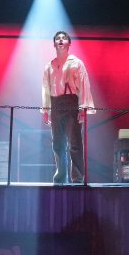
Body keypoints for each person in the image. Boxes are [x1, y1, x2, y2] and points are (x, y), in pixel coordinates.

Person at [41, 30, 95, 184]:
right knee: (58, 143)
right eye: (57, 38)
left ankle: (77, 178)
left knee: (75, 143)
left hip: (71, 103)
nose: (60, 40)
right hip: (56, 104)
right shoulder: (49, 66)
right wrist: (46, 110)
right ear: (54, 44)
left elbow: (84, 86)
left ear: (69, 43)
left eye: (64, 38)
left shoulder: (76, 63)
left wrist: (83, 109)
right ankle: (61, 176)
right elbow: (45, 88)